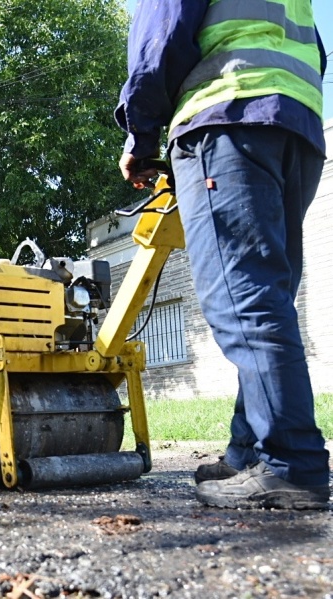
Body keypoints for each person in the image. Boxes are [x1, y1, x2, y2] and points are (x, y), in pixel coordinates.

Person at [116, 0, 329, 509]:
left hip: (228, 119)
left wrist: (141, 135)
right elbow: (316, 50)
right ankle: (247, 453)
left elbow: (160, 37)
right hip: (295, 127)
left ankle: (291, 466)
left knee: (245, 302)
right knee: (265, 298)